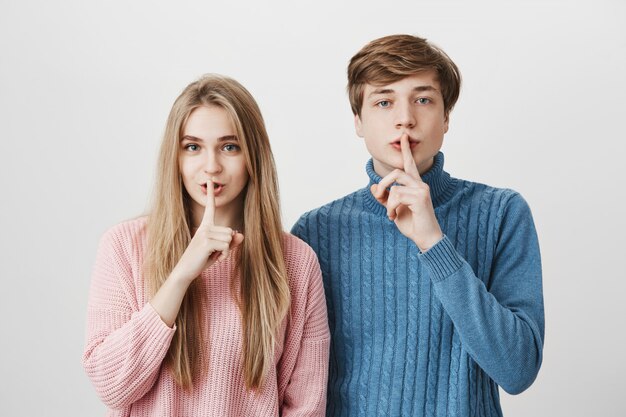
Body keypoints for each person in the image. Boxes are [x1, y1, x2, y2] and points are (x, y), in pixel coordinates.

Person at [291, 34, 544, 417]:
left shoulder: (502, 213)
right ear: (358, 121)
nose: (405, 118)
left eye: (423, 99)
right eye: (384, 101)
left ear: (446, 118)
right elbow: (292, 382)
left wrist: (433, 241)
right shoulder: (316, 232)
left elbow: (518, 371)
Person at [83, 74, 330, 416]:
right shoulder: (124, 246)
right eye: (193, 147)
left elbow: (307, 405)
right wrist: (182, 274)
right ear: (177, 157)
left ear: (252, 157)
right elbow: (112, 386)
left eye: (230, 147)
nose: (211, 166)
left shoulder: (296, 262)